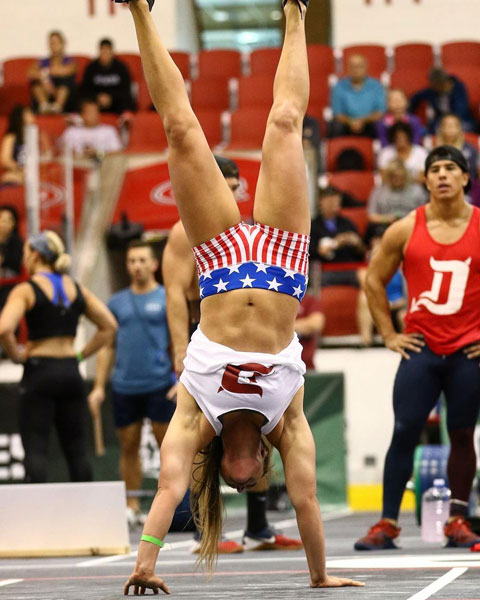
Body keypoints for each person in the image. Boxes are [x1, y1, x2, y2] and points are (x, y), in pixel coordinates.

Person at [120, 0, 363, 594]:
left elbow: (169, 487)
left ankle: (138, 11)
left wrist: (144, 565)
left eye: (238, 480)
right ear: (263, 465)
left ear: (226, 471)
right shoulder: (290, 422)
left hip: (222, 258)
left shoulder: (195, 416)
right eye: (255, 478)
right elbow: (305, 501)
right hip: (282, 259)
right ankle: (296, 13)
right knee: (285, 123)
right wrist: (321, 576)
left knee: (181, 129)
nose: (246, 474)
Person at [163, 155, 303, 553]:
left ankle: (258, 526)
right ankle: (201, 527)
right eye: (218, 181)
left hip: (259, 338)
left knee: (262, 426)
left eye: (232, 183)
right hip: (207, 339)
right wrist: (179, 350)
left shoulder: (259, 231)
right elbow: (174, 293)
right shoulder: (183, 232)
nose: (226, 189)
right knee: (202, 437)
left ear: (242, 188)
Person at [354, 145, 480, 551]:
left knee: (462, 435)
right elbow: (373, 281)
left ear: (465, 178)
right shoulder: (404, 228)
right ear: (424, 181)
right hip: (421, 348)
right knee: (405, 429)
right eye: (435, 169)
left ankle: (458, 520)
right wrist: (389, 335)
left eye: (450, 168)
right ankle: (387, 524)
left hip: (467, 352)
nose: (442, 175)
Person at [0, 231, 117, 483]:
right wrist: (79, 355)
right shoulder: (75, 288)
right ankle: (85, 515)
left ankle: (37, 515)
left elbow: (4, 329)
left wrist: (17, 356)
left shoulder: (26, 289)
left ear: (36, 255)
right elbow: (109, 326)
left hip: (39, 371)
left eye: (25, 253)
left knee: (36, 448)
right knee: (76, 450)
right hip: (70, 372)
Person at [88, 240, 176, 527]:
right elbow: (107, 346)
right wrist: (99, 386)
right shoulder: (116, 302)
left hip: (160, 383)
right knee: (129, 448)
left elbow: (177, 342)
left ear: (153, 265)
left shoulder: (166, 298)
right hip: (125, 386)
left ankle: (171, 506)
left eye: (142, 260)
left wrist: (179, 377)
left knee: (169, 448)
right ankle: (131, 505)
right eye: (131, 261)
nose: (136, 266)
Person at [356, 224, 406, 347]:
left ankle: (409, 347)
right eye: (376, 240)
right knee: (363, 298)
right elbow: (367, 287)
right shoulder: (365, 269)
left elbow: (407, 297)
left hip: (397, 307)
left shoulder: (400, 268)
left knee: (403, 315)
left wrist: (393, 304)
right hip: (377, 308)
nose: (379, 244)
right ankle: (366, 341)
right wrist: (374, 261)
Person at [309, 186, 365, 287]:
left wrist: (357, 243)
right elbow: (310, 253)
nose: (334, 205)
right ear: (320, 202)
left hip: (349, 268)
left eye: (337, 202)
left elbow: (361, 252)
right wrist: (334, 243)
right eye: (330, 202)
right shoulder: (313, 226)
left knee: (366, 277)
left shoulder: (347, 223)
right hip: (324, 271)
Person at [330, 54, 386, 138]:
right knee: (335, 127)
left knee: (381, 125)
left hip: (369, 123)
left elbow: (380, 111)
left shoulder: (376, 86)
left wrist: (362, 121)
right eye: (353, 66)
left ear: (366, 67)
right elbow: (337, 113)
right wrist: (351, 121)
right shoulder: (339, 86)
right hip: (346, 124)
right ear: (348, 68)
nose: (356, 70)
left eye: (359, 66)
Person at [410, 68, 475, 134]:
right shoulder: (432, 91)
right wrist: (409, 113)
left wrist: (449, 124)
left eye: (436, 86)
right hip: (440, 121)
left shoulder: (459, 88)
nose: (434, 88)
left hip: (461, 120)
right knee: (430, 130)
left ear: (443, 82)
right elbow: (415, 97)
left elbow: (461, 111)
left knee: (463, 129)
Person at [28, 31, 77, 114]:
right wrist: (44, 80)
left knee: (66, 80)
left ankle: (57, 107)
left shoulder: (69, 61)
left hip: (65, 98)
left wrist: (46, 75)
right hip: (46, 95)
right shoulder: (44, 61)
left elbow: (66, 70)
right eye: (51, 43)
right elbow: (30, 72)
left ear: (62, 44)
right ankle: (44, 106)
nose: (53, 46)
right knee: (35, 83)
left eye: (56, 43)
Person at [81, 38, 135, 114]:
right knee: (83, 100)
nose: (105, 53)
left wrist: (111, 98)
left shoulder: (121, 67)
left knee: (127, 100)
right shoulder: (91, 67)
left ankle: (125, 119)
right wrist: (98, 97)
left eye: (107, 50)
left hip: (116, 102)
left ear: (112, 52)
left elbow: (126, 89)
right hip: (96, 102)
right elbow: (85, 89)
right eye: (102, 50)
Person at [0, 105, 50, 186]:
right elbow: (5, 160)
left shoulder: (41, 135)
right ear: (19, 117)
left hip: (38, 172)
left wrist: (38, 168)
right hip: (19, 172)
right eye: (28, 113)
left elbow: (49, 155)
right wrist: (21, 169)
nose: (32, 115)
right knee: (8, 177)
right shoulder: (11, 137)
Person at [367, 159, 427, 226]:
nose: (397, 180)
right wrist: (387, 219)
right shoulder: (379, 191)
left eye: (400, 177)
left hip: (411, 226)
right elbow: (371, 216)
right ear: (388, 177)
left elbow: (425, 214)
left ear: (405, 175)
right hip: (384, 226)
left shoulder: (417, 191)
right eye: (394, 177)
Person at [435, 113, 478, 184]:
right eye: (447, 125)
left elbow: (472, 174)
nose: (451, 128)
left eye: (454, 125)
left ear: (460, 128)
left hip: (466, 186)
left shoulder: (469, 149)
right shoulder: (435, 151)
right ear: (441, 128)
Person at [0, 205, 23, 313]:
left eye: (8, 220)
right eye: (1, 219)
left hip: (9, 288)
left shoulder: (17, 243)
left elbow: (17, 265)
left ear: (14, 224)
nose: (3, 224)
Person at [295, 293, 325, 370]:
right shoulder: (273, 300)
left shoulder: (308, 299)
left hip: (305, 367)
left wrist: (284, 328)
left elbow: (316, 323)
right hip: (275, 368)